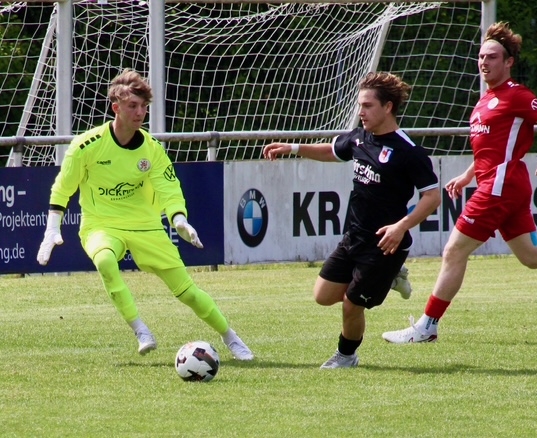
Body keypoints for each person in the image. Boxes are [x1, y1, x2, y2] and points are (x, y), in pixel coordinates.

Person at [381, 22, 537, 345]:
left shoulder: (517, 94)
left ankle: (427, 326)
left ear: (508, 62)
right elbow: (491, 150)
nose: (484, 62)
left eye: (492, 57)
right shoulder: (483, 102)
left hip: (500, 187)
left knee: (454, 250)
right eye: (481, 57)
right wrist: (468, 175)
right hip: (504, 185)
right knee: (533, 256)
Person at [36, 68, 253, 360]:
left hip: (146, 226)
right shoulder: (85, 146)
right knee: (105, 260)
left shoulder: (152, 149)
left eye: (143, 106)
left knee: (187, 291)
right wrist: (52, 228)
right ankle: (141, 330)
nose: (140, 113)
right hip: (101, 225)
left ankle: (231, 337)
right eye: (132, 106)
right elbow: (63, 188)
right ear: (116, 107)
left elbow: (168, 187)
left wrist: (179, 219)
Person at [263, 72, 441, 368]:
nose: (361, 111)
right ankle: (392, 277)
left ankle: (346, 356)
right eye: (360, 105)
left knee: (351, 304)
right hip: (354, 236)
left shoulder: (408, 151)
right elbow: (333, 151)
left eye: (368, 105)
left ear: (388, 107)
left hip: (385, 245)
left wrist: (401, 227)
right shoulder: (360, 137)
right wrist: (293, 148)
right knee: (322, 296)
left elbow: (432, 197)